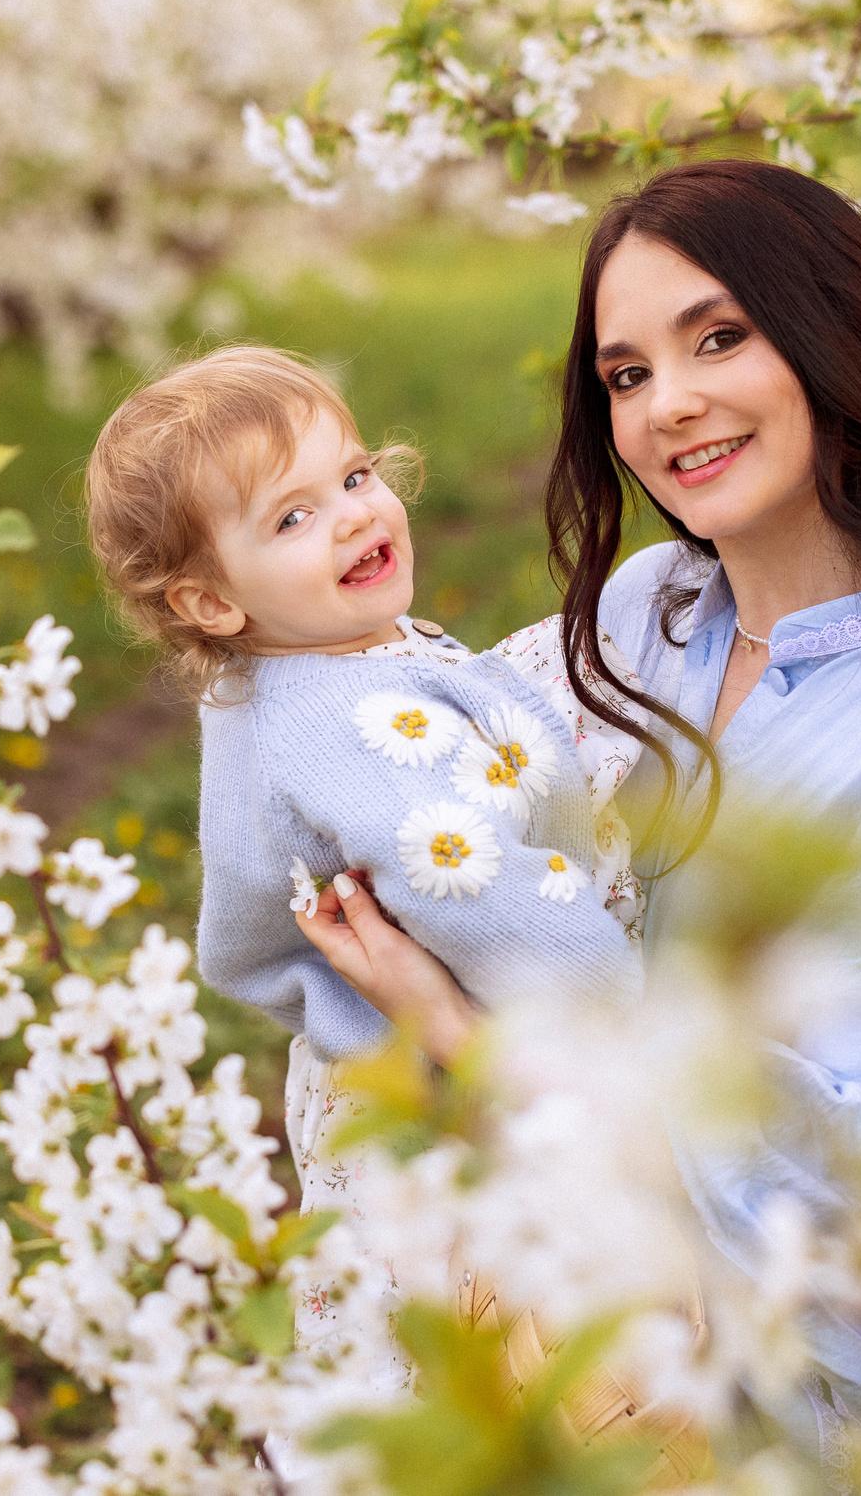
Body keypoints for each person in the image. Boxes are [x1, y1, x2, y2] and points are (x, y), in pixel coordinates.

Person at [307, 159, 861, 1466]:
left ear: (831, 338)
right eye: (627, 374)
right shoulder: (652, 615)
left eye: (719, 338)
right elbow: (438, 762)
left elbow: (843, 1216)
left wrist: (463, 1037)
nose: (668, 405)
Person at [79, 344, 650, 1227]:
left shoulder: (306, 661)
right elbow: (476, 894)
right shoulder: (345, 731)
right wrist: (618, 1014)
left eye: (352, 477)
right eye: (291, 519)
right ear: (212, 604)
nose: (352, 517)